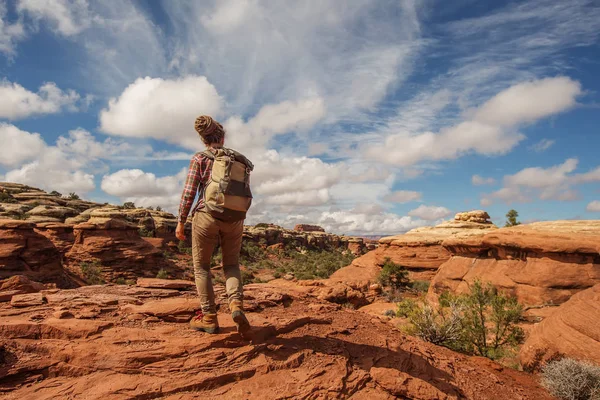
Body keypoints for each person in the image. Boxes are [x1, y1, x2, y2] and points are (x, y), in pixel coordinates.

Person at [176, 115, 250, 336]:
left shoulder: (200, 158)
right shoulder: (240, 160)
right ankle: (236, 305)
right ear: (223, 137)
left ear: (203, 139)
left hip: (206, 216)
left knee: (202, 267)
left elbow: (189, 192)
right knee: (231, 265)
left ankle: (209, 317)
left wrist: (181, 221)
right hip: (235, 218)